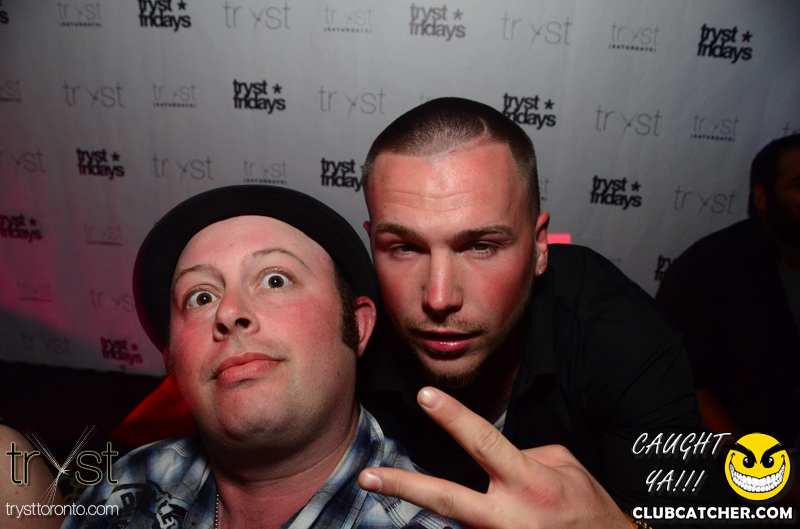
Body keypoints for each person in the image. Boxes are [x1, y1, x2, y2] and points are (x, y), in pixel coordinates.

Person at [355, 97, 730, 528]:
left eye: (481, 246)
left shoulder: (617, 333)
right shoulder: (349, 329)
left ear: (539, 247)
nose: (439, 298)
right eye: (404, 248)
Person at [62, 185, 458, 529]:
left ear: (357, 326)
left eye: (275, 279)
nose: (228, 312)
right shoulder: (125, 485)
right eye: (201, 296)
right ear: (173, 362)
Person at [657, 134, 800, 448]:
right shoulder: (710, 267)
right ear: (763, 197)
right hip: (742, 461)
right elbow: (685, 387)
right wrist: (758, 469)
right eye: (798, 185)